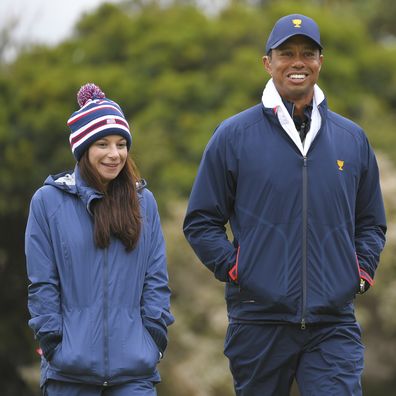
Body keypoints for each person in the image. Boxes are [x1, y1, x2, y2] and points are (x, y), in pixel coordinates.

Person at [183, 13, 387, 396]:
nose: (298, 62)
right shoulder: (234, 136)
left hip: (333, 323)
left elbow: (371, 222)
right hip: (258, 321)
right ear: (268, 62)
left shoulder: (351, 139)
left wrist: (359, 272)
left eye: (308, 53)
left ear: (320, 62)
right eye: (286, 53)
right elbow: (201, 221)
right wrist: (238, 269)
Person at [25, 83, 174, 396]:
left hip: (134, 374)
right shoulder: (48, 202)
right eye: (102, 144)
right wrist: (55, 346)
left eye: (121, 144)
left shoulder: (144, 202)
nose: (114, 154)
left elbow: (156, 280)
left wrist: (153, 340)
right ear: (83, 149)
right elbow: (42, 284)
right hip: (69, 374)